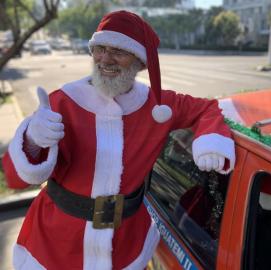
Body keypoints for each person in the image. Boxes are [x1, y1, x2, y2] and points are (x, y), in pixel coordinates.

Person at [2, 10, 235, 270]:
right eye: (100, 49)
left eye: (118, 52)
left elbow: (208, 108)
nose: (105, 59)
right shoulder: (62, 101)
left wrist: (210, 140)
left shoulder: (159, 106)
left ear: (140, 62)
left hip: (125, 246)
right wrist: (33, 140)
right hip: (57, 244)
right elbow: (14, 177)